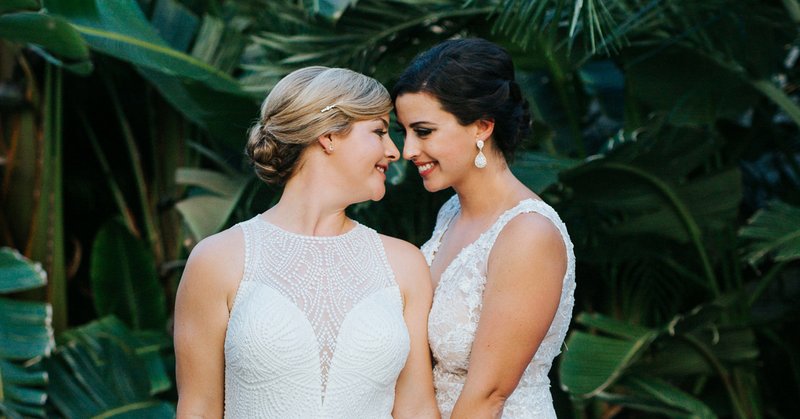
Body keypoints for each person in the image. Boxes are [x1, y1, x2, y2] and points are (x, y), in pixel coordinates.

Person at [174, 66, 439, 418]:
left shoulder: (404, 264)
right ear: (328, 136)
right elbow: (199, 409)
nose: (394, 151)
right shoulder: (218, 259)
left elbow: (417, 408)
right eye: (379, 132)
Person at [392, 38, 576, 418]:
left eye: (423, 132)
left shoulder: (529, 235)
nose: (407, 150)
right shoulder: (451, 212)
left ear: (481, 126)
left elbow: (489, 396)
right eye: (405, 132)